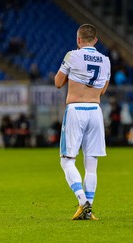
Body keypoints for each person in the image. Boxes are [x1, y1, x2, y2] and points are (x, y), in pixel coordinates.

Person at [55, 23, 111, 220]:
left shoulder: (72, 55)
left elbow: (58, 83)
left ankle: (82, 201)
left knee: (67, 160)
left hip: (76, 110)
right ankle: (89, 209)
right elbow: (103, 91)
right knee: (91, 164)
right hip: (95, 110)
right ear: (95, 40)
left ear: (78, 40)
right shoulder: (106, 60)